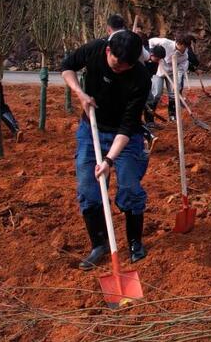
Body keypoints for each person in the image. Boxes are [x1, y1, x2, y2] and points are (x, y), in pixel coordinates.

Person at [61, 30, 151, 269]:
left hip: (126, 136)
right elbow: (67, 67)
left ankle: (135, 243)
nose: (120, 69)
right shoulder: (95, 49)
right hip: (91, 130)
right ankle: (99, 244)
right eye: (116, 64)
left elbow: (129, 125)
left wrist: (109, 160)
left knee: (130, 187)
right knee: (88, 187)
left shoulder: (141, 77)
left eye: (126, 66)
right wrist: (80, 94)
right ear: (108, 51)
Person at [147, 33, 193, 122]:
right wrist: (154, 54)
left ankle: (172, 115)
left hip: (173, 73)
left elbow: (181, 70)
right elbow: (151, 41)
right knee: (156, 93)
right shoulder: (165, 43)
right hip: (160, 70)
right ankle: (150, 118)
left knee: (173, 94)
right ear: (178, 44)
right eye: (184, 47)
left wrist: (178, 81)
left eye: (186, 47)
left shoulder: (185, 56)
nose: (185, 49)